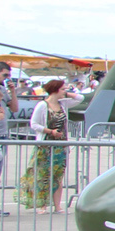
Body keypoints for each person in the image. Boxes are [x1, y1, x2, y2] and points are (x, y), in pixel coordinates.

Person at [20, 79, 78, 211]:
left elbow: (80, 98)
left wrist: (67, 94)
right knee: (43, 175)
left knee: (58, 175)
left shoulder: (63, 104)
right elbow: (34, 124)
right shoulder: (42, 105)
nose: (65, 91)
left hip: (61, 145)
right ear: (55, 90)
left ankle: (57, 205)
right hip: (45, 145)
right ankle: (43, 205)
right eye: (63, 89)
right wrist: (50, 131)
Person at [0, 62, 16, 218]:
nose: (7, 78)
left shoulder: (2, 91)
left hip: (2, 136)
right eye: (4, 75)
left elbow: (14, 108)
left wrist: (13, 91)